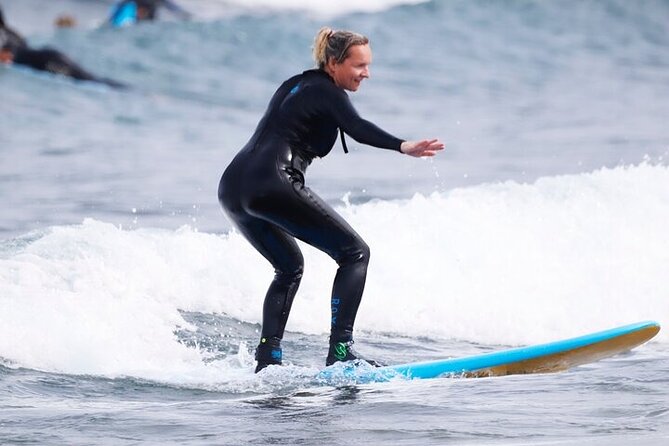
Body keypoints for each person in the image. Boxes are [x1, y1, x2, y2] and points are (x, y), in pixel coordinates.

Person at [218, 27, 444, 373]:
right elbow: (357, 127)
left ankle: (267, 358)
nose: (366, 73)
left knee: (289, 268)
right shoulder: (329, 92)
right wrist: (403, 145)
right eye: (359, 66)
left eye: (368, 65)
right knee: (355, 254)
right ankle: (341, 350)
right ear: (334, 63)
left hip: (234, 186)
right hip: (273, 180)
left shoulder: (294, 85)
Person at [0, 7, 125, 89]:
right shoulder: (11, 32)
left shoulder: (4, 33)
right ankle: (127, 89)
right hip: (49, 56)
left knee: (90, 81)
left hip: (47, 62)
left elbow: (8, 54)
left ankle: (129, 91)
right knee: (92, 79)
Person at [109, 0, 191, 27]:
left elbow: (171, 6)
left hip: (152, 24)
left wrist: (183, 15)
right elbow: (121, 5)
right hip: (141, 25)